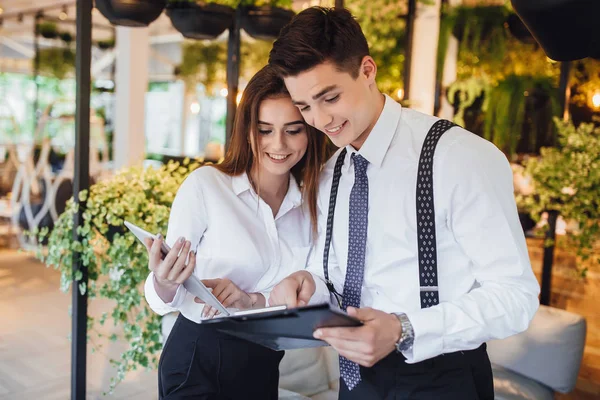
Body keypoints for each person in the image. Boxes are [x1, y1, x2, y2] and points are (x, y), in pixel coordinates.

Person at [268, 7, 540, 400]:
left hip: (441, 379)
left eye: (330, 97)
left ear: (367, 70)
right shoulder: (331, 172)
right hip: (356, 381)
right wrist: (310, 283)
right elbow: (340, 277)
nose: (320, 120)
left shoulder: (458, 157)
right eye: (305, 106)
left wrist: (405, 327)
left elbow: (516, 296)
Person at [143, 65, 326, 399]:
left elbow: (315, 287)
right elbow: (160, 300)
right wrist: (164, 281)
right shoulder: (206, 187)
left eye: (293, 129)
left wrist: (250, 300)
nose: (279, 144)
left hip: (264, 362)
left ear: (310, 131)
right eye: (265, 130)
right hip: (199, 359)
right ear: (247, 131)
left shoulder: (312, 204)